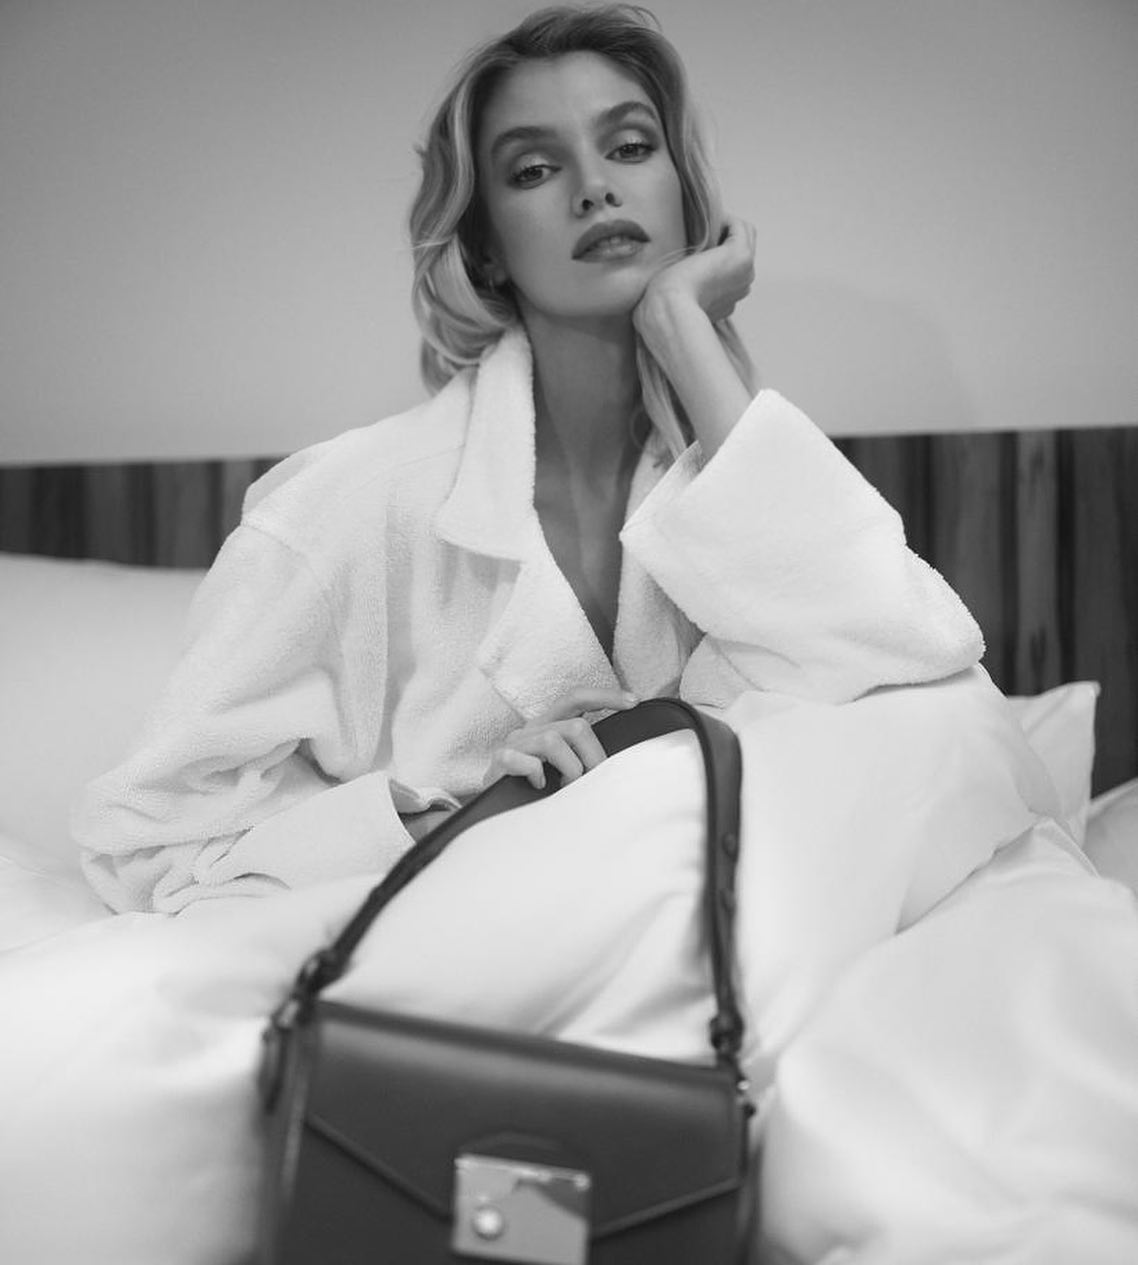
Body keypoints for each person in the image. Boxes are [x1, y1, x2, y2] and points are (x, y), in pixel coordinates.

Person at [74, 4, 983, 914]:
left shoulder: (730, 485)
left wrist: (682, 326)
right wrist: (465, 817)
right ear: (486, 249)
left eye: (631, 147)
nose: (595, 189)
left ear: (682, 195)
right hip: (460, 957)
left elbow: (909, 656)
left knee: (962, 722)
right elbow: (145, 837)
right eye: (535, 169)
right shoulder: (353, 503)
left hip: (699, 945)